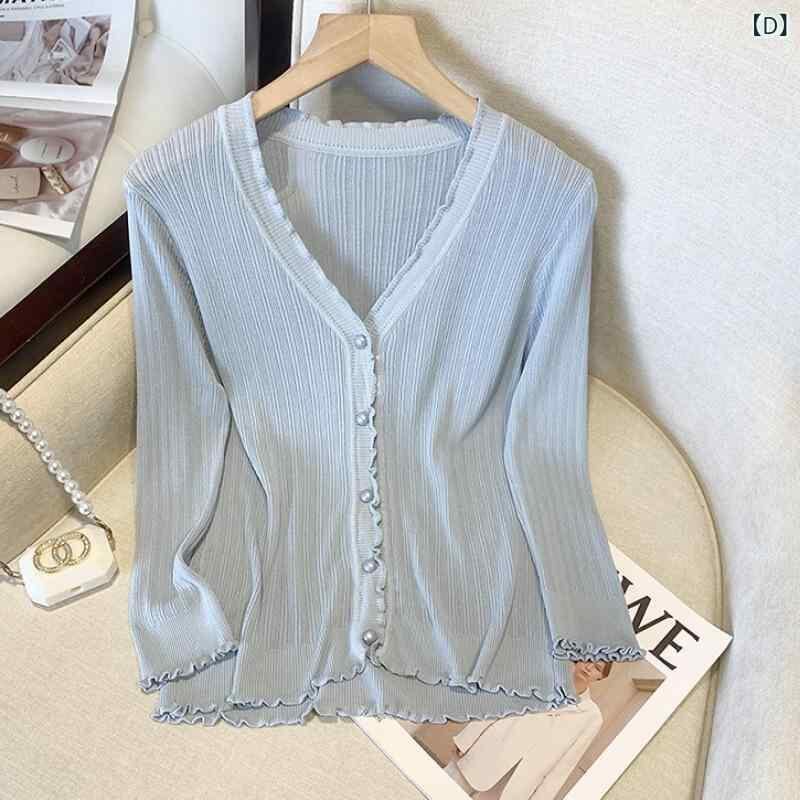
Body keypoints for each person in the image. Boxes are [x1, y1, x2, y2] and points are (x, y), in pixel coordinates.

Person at [443, 660, 609, 800]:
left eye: (597, 668)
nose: (589, 668)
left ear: (601, 677)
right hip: (488, 751)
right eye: (589, 659)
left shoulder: (591, 717)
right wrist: (467, 739)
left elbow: (564, 766)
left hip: (517, 783)